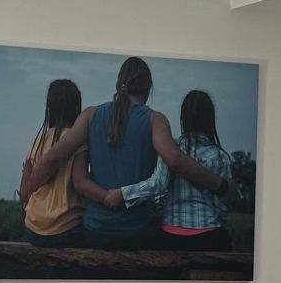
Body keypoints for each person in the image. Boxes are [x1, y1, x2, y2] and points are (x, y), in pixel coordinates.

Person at [28, 56, 228, 249]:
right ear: (148, 89)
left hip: (96, 231)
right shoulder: (155, 119)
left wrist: (28, 191)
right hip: (137, 232)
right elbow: (175, 159)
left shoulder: (90, 115)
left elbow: (53, 157)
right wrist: (220, 185)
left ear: (119, 84)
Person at [106, 88, 234, 250]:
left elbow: (158, 184)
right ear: (210, 118)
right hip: (209, 234)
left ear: (184, 117)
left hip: (171, 234)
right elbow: (223, 205)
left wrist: (123, 193)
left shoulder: (172, 147)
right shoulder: (220, 156)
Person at [14, 78, 85, 246]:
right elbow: (80, 183)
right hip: (67, 230)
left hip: (33, 230)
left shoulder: (36, 142)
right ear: (76, 108)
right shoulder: (78, 141)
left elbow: (23, 195)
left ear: (50, 108)